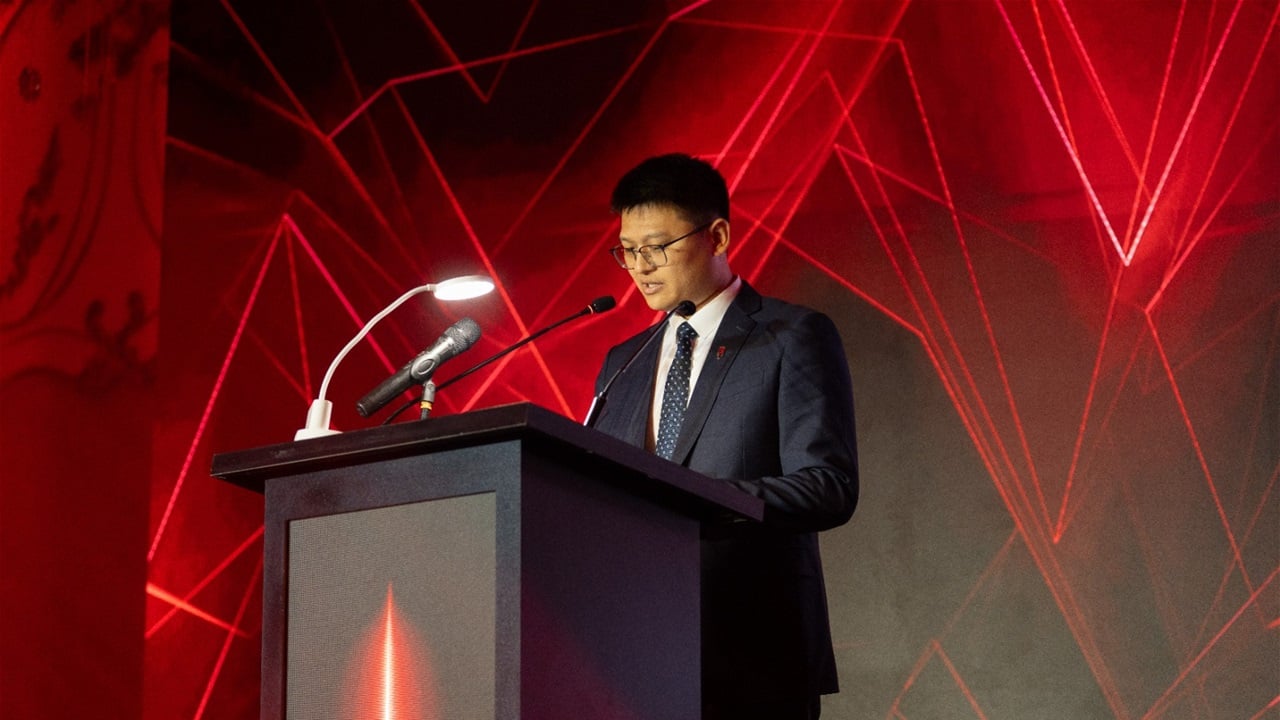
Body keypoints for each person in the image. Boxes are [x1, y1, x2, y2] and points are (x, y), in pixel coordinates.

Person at [589, 153, 859, 720]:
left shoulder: (791, 335)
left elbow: (828, 485)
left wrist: (697, 499)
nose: (640, 267)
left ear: (717, 237)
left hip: (753, 656)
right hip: (633, 657)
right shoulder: (622, 363)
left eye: (657, 247)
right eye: (627, 250)